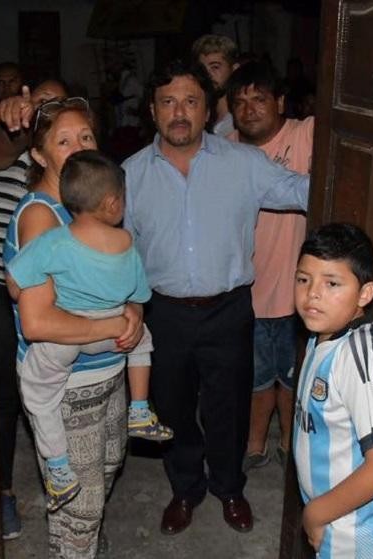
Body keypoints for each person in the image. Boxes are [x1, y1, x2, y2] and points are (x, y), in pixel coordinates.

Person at [121, 59, 310, 536]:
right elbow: (121, 249)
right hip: (163, 313)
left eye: (190, 101)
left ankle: (229, 487)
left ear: (208, 110)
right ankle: (186, 489)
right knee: (172, 408)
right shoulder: (131, 175)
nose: (179, 112)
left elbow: (302, 191)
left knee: (229, 407)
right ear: (152, 110)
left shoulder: (243, 163)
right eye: (168, 102)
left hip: (228, 310)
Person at [3, 97, 144, 558]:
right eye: (64, 141)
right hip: (66, 383)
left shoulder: (89, 208)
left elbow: (121, 280)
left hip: (107, 369)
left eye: (86, 136)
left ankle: (75, 542)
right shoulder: (42, 216)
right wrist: (115, 322)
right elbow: (37, 321)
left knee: (104, 470)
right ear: (39, 155)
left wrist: (134, 311)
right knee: (81, 503)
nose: (79, 146)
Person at [6, 150, 172, 512]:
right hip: (115, 334)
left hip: (69, 336)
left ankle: (58, 467)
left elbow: (16, 281)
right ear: (112, 203)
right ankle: (140, 408)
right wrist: (129, 314)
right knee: (142, 340)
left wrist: (19, 286)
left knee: (39, 394)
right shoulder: (126, 243)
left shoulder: (55, 241)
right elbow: (139, 295)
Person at [292, 223, 373, 557]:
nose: (313, 294)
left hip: (364, 536)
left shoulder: (360, 358)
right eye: (303, 279)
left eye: (332, 283)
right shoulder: (322, 335)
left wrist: (315, 514)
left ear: (364, 294)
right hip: (337, 521)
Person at [0, 78, 70, 540]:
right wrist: (10, 119)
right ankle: (2, 491)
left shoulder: (71, 163)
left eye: (57, 104)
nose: (45, 110)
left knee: (57, 394)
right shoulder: (12, 147)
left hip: (58, 298)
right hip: (2, 293)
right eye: (38, 101)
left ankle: (75, 498)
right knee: (4, 398)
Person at [227, 61, 315, 471]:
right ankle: (255, 442)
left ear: (280, 102)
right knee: (257, 377)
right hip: (246, 293)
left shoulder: (304, 134)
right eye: (240, 102)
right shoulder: (224, 148)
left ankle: (290, 442)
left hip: (301, 293)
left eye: (259, 99)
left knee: (295, 378)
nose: (249, 110)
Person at [0, 78, 70, 171]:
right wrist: (18, 120)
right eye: (43, 101)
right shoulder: (21, 141)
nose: (52, 110)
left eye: (60, 105)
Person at [191, 34, 239, 137]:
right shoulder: (197, 116)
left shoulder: (243, 118)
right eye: (202, 68)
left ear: (234, 69)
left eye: (215, 67)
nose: (208, 74)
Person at [0, 62, 23, 132]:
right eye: (1, 82)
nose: (6, 87)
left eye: (12, 81)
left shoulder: (27, 111)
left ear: (21, 82)